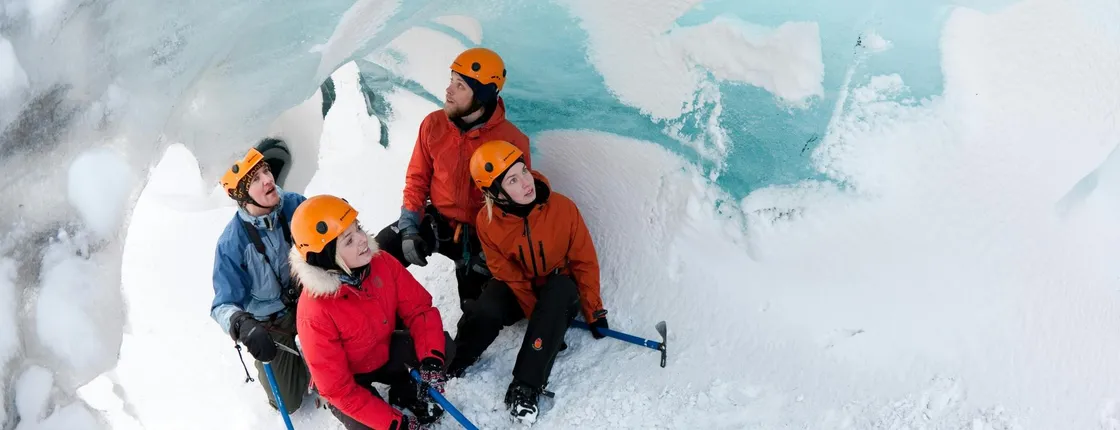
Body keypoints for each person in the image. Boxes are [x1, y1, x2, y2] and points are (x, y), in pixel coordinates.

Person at [447, 140, 610, 424]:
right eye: (512, 179)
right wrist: (537, 315)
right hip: (521, 285)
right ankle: (452, 363)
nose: (526, 182)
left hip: (558, 285)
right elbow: (506, 272)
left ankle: (526, 386)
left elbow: (584, 262)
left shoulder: (563, 208)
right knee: (488, 305)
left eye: (523, 171)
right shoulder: (487, 222)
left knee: (561, 289)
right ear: (494, 193)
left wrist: (593, 310)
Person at [375, 47, 531, 311]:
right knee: (380, 252)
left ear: (481, 95)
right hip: (439, 221)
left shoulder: (512, 141)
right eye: (451, 81)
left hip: (482, 235)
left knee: (480, 311)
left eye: (460, 86)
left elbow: (516, 207)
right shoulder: (433, 124)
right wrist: (410, 227)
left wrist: (493, 251)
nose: (448, 91)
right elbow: (417, 180)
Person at [289, 195, 454, 430]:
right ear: (327, 257)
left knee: (441, 348)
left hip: (383, 351)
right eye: (348, 240)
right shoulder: (314, 312)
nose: (363, 239)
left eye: (358, 228)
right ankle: (385, 405)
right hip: (349, 380)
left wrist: (431, 361)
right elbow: (339, 390)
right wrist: (396, 424)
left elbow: (420, 310)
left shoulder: (381, 262)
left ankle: (403, 390)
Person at [210, 141, 310, 413]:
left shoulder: (293, 204)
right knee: (288, 403)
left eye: (266, 171)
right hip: (272, 323)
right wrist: (242, 324)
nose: (268, 180)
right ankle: (298, 365)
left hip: (310, 301)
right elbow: (222, 305)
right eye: (256, 179)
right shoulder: (232, 243)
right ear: (243, 196)